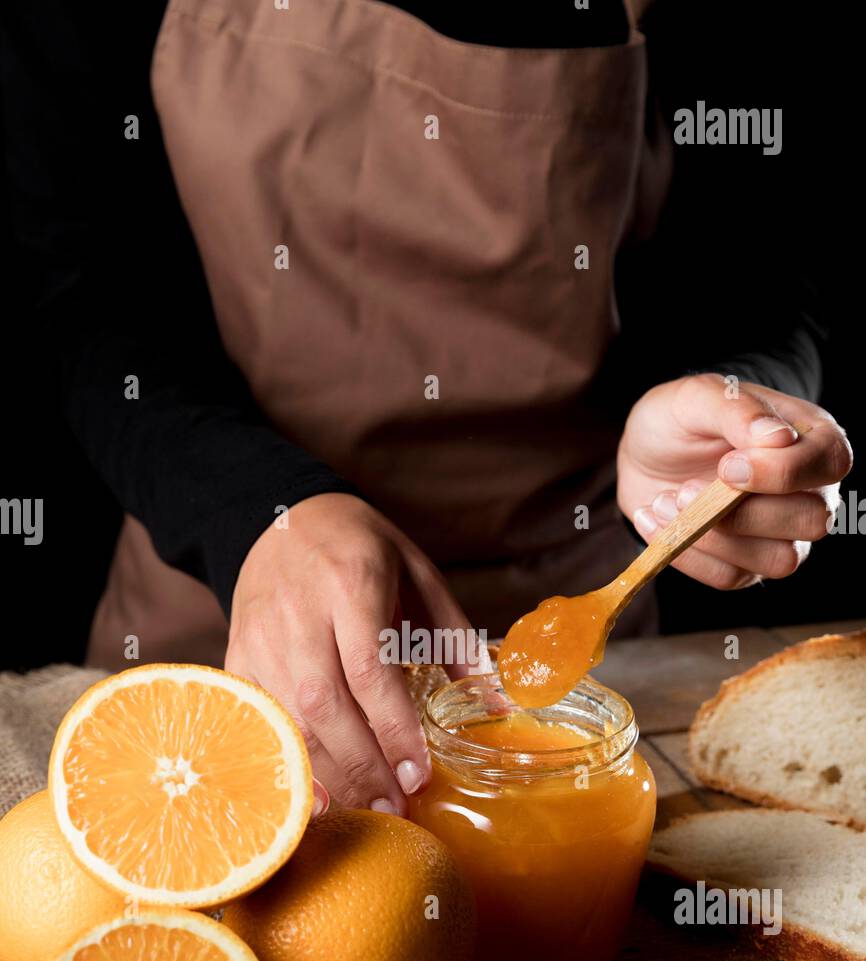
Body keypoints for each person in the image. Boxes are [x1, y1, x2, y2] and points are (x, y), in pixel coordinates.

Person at [1, 0, 850, 817]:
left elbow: (768, 257)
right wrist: (252, 510)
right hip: (215, 614)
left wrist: (733, 397)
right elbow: (78, 285)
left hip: (578, 624)